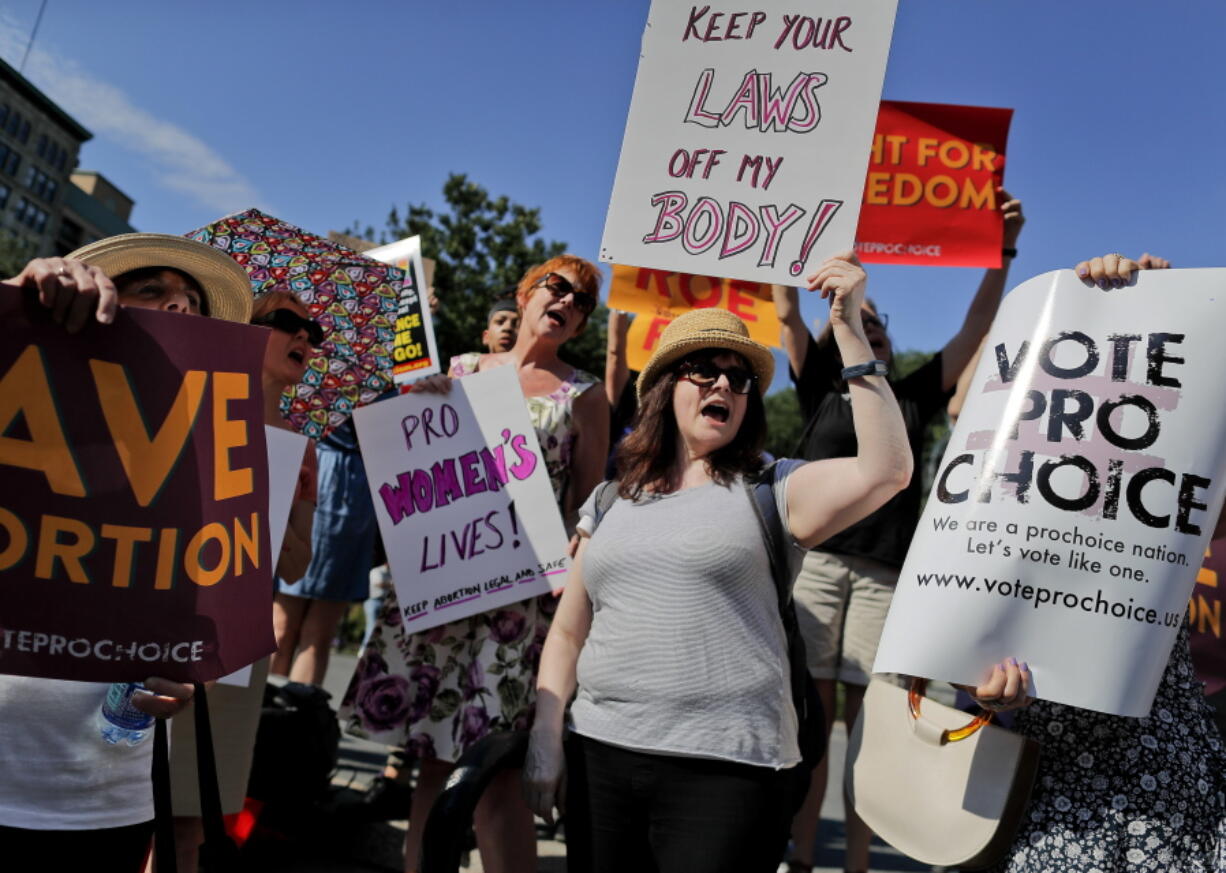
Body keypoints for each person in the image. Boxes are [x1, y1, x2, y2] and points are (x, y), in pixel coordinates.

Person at [524, 253, 912, 873]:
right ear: (661, 390)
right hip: (600, 757)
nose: (723, 385)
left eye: (739, 377)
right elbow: (569, 631)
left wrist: (848, 330)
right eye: (703, 370)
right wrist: (547, 734)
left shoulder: (774, 486)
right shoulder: (610, 497)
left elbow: (887, 471)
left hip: (730, 772)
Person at [773, 192, 1024, 873]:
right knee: (812, 732)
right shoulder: (818, 385)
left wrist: (1002, 252)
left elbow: (976, 327)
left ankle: (856, 864)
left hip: (887, 580)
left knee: (874, 733)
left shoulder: (911, 396)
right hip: (816, 569)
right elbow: (786, 309)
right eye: (859, 321)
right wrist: (785, 212)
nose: (872, 329)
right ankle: (801, 861)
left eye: (880, 324)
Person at [341, 255, 609, 873]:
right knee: (433, 765)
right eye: (558, 286)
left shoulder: (584, 395)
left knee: (496, 772)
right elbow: (412, 469)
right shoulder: (460, 370)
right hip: (442, 593)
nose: (568, 302)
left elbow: (587, 511)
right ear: (526, 294)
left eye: (582, 301)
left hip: (519, 610)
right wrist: (420, 404)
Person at [0, 233, 254, 869]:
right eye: (154, 290)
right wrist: (26, 293)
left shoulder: (203, 461)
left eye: (193, 300)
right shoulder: (19, 389)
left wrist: (180, 675)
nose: (180, 307)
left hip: (105, 799)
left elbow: (195, 623)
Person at [968, 252, 1226, 872]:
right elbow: (975, 403)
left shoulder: (1172, 508)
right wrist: (1098, 311)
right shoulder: (1018, 514)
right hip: (1061, 815)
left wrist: (1170, 316)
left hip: (1182, 805)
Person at [165, 289, 320, 872]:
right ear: (245, 330)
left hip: (234, 649)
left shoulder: (304, 447)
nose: (304, 338)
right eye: (287, 323)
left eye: (314, 333)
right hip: (156, 624)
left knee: (189, 821)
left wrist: (279, 512)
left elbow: (298, 567)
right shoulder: (187, 406)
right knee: (122, 812)